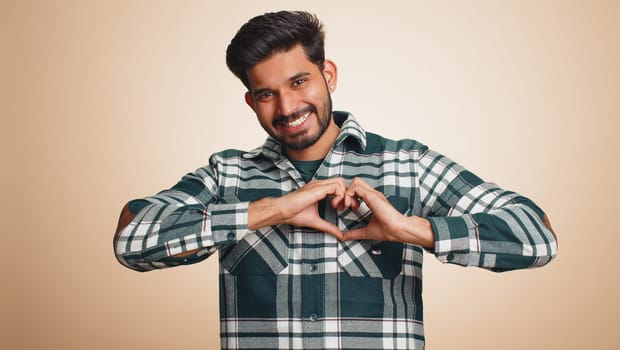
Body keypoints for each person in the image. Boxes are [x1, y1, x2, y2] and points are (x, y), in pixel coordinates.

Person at [114, 10, 557, 350]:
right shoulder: (227, 174)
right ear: (251, 102)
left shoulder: (407, 163)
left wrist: (409, 229)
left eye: (299, 81)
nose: (286, 107)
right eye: (267, 93)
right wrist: (270, 210)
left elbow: (536, 235)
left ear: (328, 75)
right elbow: (132, 237)